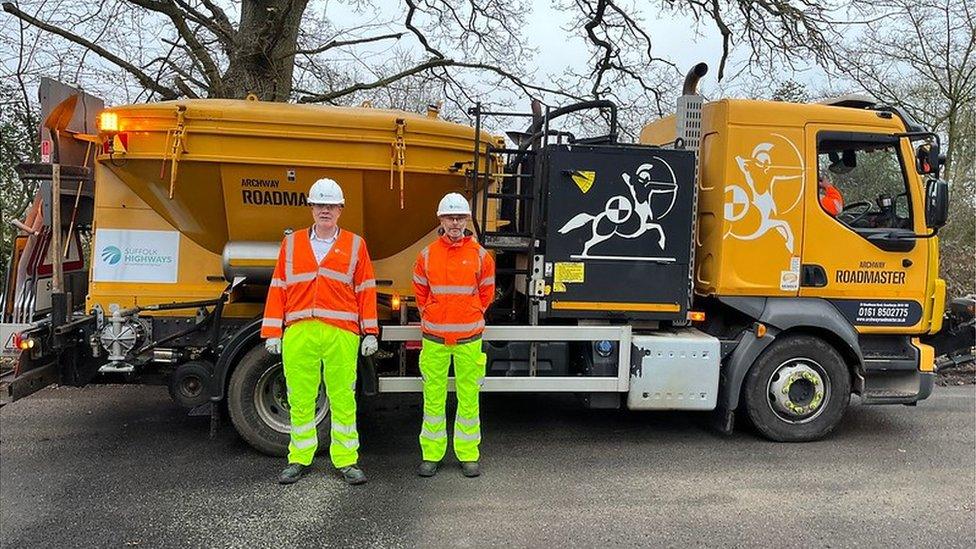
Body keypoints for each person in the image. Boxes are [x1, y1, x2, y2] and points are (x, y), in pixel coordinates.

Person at [261, 177, 379, 485]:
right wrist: (273, 330)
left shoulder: (355, 244)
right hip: (300, 330)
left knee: (343, 398)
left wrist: (370, 331)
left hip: (342, 331)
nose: (324, 210)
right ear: (311, 208)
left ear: (340, 209)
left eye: (330, 205)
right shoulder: (292, 243)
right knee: (300, 397)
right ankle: (299, 458)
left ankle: (346, 460)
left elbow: (365, 289)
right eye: (319, 205)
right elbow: (278, 287)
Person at [412, 192, 495, 478]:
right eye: (450, 217)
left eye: (460, 217)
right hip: (434, 339)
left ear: (467, 219)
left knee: (468, 399)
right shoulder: (426, 255)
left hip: (469, 340)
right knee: (433, 400)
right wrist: (433, 315)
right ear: (441, 220)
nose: (455, 222)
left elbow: (486, 294)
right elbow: (420, 294)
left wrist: (469, 314)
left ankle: (468, 454)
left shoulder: (481, 256)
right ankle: (431, 455)